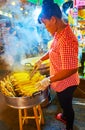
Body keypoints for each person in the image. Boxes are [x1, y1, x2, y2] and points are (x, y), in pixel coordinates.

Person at [34, 1, 80, 130]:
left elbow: (71, 69)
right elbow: (53, 49)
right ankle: (64, 115)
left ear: (53, 19)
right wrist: (41, 59)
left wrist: (48, 80)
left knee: (67, 105)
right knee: (63, 102)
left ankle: (69, 125)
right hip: (59, 81)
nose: (45, 27)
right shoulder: (58, 33)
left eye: (45, 24)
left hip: (67, 83)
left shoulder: (67, 40)